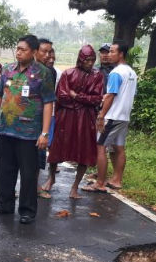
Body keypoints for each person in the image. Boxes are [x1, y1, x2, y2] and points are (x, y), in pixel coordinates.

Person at [0, 34, 56, 225]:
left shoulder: (43, 73)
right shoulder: (8, 70)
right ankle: (5, 206)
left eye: (23, 49)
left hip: (29, 134)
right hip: (6, 129)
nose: (18, 52)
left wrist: (45, 133)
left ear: (33, 52)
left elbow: (49, 103)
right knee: (5, 171)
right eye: (17, 48)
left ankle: (27, 210)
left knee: (28, 173)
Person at [42, 45, 104, 199]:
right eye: (87, 60)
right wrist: (82, 100)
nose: (90, 63)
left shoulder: (98, 76)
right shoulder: (68, 73)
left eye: (92, 60)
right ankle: (51, 178)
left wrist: (76, 96)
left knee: (84, 152)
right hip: (67, 117)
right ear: (80, 59)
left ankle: (75, 186)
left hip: (86, 119)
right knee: (57, 147)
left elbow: (96, 99)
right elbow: (61, 96)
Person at [83, 41, 137, 193]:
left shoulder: (115, 73)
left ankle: (99, 183)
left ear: (121, 54)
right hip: (124, 116)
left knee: (101, 147)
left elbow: (111, 95)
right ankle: (116, 180)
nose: (109, 54)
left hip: (112, 116)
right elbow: (128, 94)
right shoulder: (132, 72)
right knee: (119, 148)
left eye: (113, 52)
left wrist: (101, 116)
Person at [35, 38, 54, 198]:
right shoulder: (23, 69)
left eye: (50, 52)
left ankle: (36, 186)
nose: (48, 55)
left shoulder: (49, 71)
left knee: (38, 155)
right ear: (35, 51)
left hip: (41, 121)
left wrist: (46, 131)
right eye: (44, 51)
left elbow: (49, 101)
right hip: (24, 121)